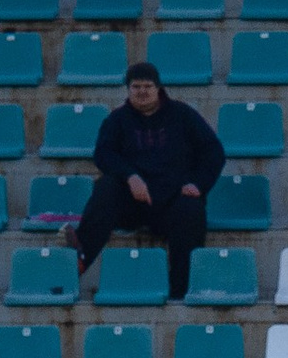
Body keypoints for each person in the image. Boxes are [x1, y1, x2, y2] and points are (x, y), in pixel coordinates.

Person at [77, 61, 225, 304]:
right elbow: (103, 154)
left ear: (159, 88)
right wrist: (130, 176)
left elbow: (213, 151)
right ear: (128, 89)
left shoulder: (182, 114)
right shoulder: (118, 119)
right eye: (136, 87)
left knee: (191, 209)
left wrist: (198, 184)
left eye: (148, 86)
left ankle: (181, 291)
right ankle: (80, 257)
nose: (142, 92)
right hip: (133, 203)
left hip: (172, 201)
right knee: (106, 187)